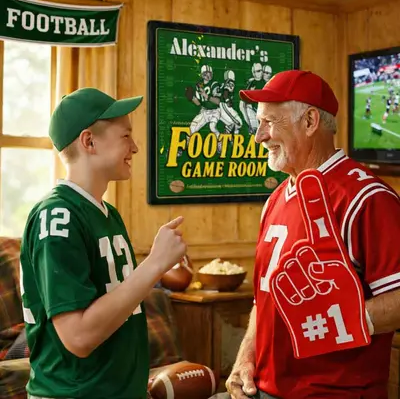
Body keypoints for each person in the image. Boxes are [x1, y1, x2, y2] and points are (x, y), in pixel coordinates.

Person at [210, 70, 400, 399]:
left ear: (310, 121)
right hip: (264, 390)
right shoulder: (276, 199)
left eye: (269, 122)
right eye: (259, 123)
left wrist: (341, 321)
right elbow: (265, 297)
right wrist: (245, 359)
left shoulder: (367, 198)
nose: (259, 137)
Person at [19, 87, 187, 399]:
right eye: (126, 136)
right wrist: (155, 264)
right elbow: (78, 337)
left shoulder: (108, 214)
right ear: (89, 141)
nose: (135, 147)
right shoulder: (57, 216)